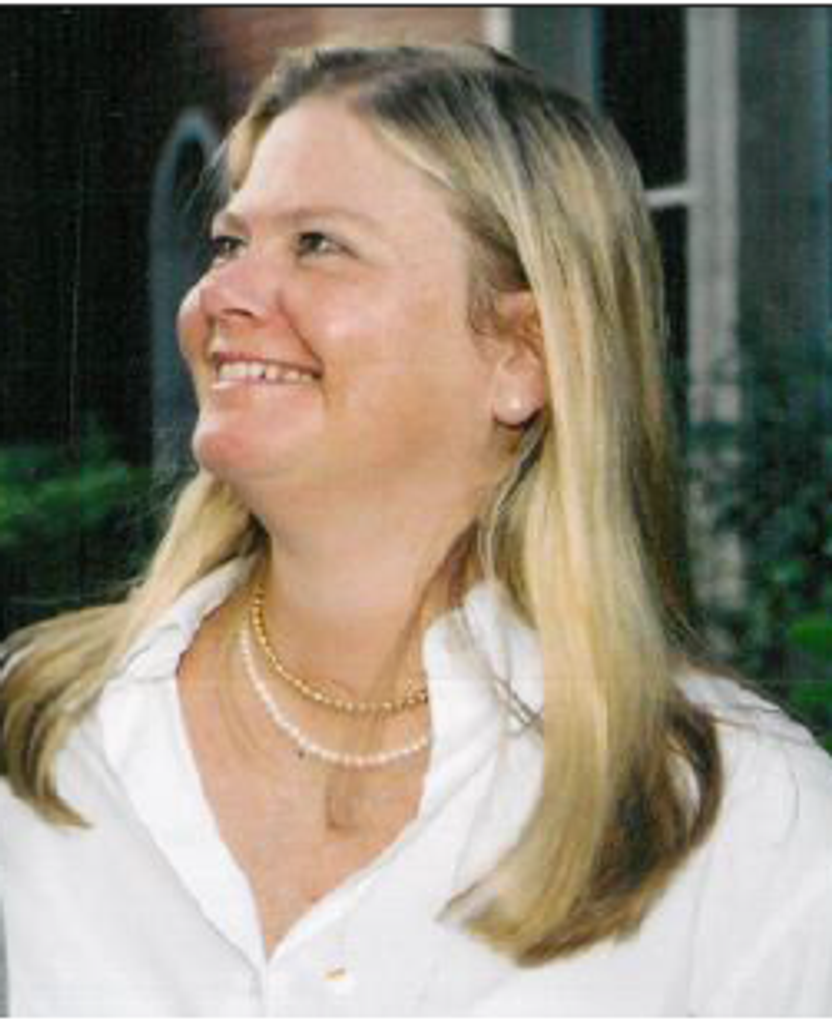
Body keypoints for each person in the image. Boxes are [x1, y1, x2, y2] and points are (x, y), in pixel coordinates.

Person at [1, 41, 831, 1017]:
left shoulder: (747, 828)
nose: (219, 296)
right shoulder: (41, 737)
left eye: (318, 244)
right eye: (229, 244)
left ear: (521, 356)